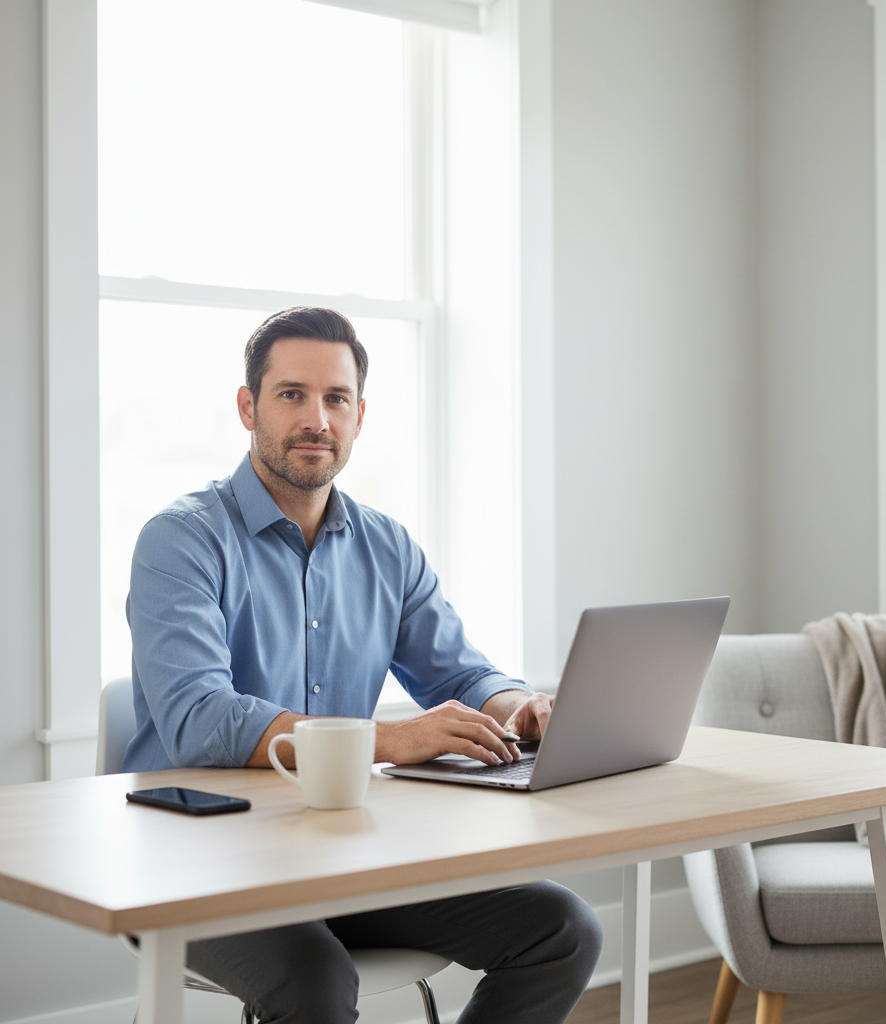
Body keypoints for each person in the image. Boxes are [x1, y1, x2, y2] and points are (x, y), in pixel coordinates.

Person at [123, 306, 602, 1023]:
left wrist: (520, 706)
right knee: (314, 977)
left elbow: (461, 675)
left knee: (562, 929)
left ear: (359, 414)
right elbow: (198, 720)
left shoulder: (388, 547)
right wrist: (384, 738)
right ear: (248, 406)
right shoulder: (181, 540)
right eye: (292, 395)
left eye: (336, 399)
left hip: (341, 857)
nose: (316, 418)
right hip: (198, 862)